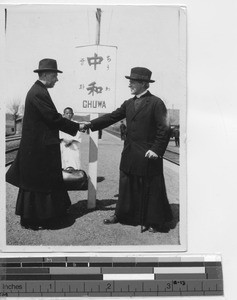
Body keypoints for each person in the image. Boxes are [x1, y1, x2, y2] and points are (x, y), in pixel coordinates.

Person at [82, 67, 173, 233]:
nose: (129, 84)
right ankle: (121, 215)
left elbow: (164, 129)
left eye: (133, 81)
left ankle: (152, 220)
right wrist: (91, 124)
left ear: (144, 84)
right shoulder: (128, 103)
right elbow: (112, 117)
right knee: (126, 186)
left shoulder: (156, 103)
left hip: (148, 155)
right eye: (130, 81)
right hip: (130, 153)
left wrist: (156, 149)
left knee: (149, 188)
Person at [6, 58, 83, 230]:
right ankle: (39, 219)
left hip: (38, 148)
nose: (57, 79)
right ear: (47, 74)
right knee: (40, 184)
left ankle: (36, 217)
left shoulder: (38, 90)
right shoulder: (38, 93)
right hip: (39, 149)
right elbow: (53, 117)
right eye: (55, 75)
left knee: (37, 184)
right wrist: (77, 126)